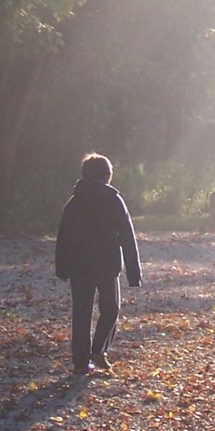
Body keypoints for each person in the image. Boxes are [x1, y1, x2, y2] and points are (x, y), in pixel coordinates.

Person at [54, 152, 142, 374]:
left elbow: (63, 236)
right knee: (111, 308)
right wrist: (134, 272)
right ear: (107, 175)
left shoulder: (74, 202)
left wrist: (61, 267)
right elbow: (127, 236)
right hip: (107, 264)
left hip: (79, 264)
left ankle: (81, 362)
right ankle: (99, 350)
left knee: (81, 313)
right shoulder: (113, 200)